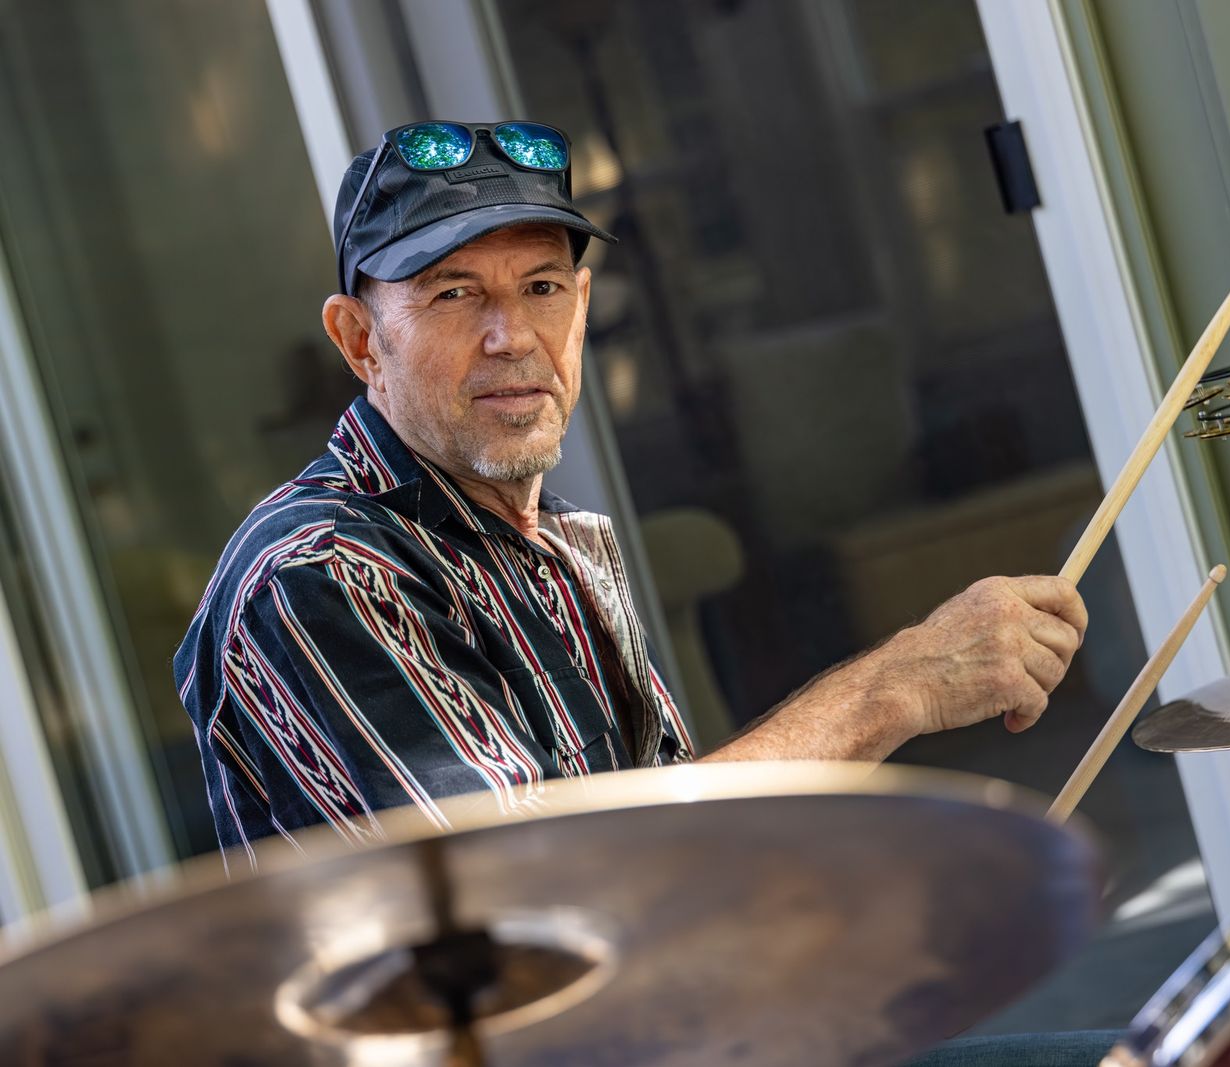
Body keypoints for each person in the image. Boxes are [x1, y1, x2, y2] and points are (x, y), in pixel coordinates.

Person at [176, 122, 1114, 1062]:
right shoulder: (318, 574)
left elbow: (674, 874)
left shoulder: (557, 542)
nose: (512, 336)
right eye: (454, 294)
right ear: (360, 340)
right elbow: (542, 905)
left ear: (582, 308)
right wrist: (894, 687)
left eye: (542, 287)